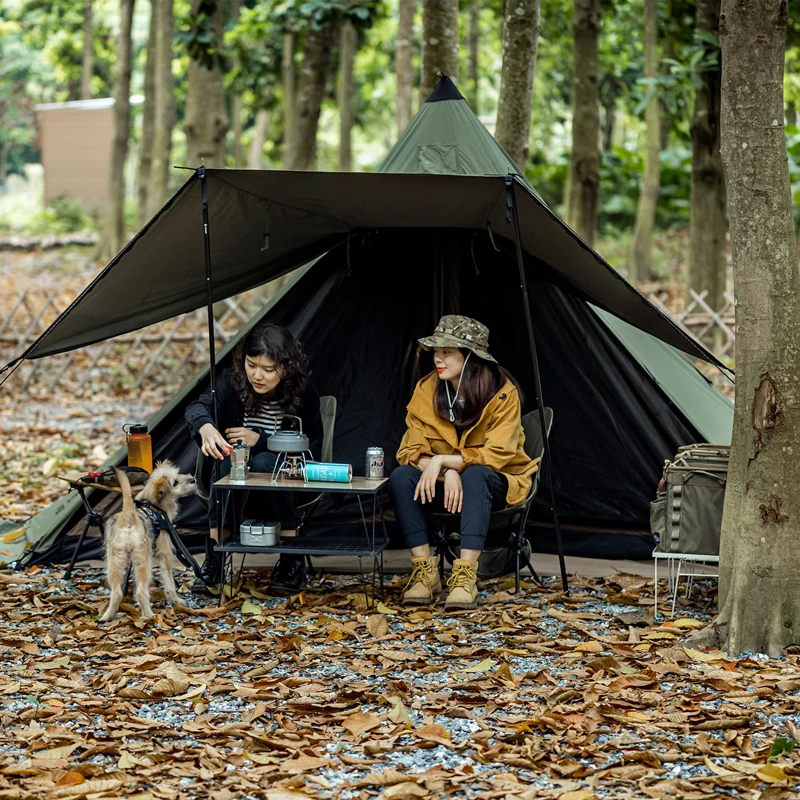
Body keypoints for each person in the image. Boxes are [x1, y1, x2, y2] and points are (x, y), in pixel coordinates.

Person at [389, 315, 538, 610]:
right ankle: (425, 571)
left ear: (470, 357)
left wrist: (448, 462)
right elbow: (410, 447)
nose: (438, 358)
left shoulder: (501, 392)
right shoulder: (427, 389)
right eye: (436, 351)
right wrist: (446, 469)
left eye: (447, 352)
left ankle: (465, 575)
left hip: (495, 482)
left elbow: (498, 454)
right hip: (442, 484)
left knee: (476, 475)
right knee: (401, 476)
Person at [185, 322, 322, 593]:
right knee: (227, 461)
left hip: (287, 483)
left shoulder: (304, 394)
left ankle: (291, 560)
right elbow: (197, 407)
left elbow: (311, 451)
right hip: (234, 483)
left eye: (268, 369)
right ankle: (216, 558)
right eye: (251, 365)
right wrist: (206, 427)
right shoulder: (231, 382)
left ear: (286, 367)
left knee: (265, 462)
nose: (257, 376)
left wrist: (260, 440)